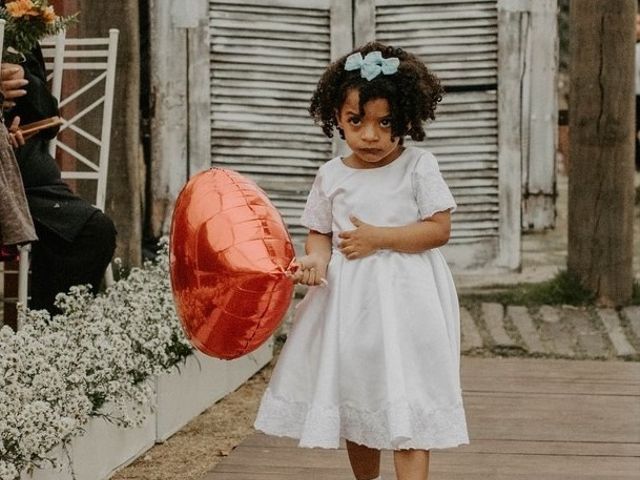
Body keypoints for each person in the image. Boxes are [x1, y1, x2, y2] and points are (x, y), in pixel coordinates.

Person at [254, 42, 469, 480]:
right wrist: (314, 261)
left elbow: (438, 229)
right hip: (351, 306)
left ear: (407, 119)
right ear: (336, 117)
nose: (370, 135)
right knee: (360, 397)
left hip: (408, 303)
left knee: (408, 396)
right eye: (357, 121)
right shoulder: (331, 175)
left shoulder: (418, 167)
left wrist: (379, 238)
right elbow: (320, 235)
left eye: (385, 122)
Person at [1, 44, 116, 314]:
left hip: (31, 185)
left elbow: (49, 120)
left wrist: (23, 76)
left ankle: (49, 339)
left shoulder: (19, 19)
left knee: (93, 232)